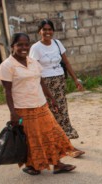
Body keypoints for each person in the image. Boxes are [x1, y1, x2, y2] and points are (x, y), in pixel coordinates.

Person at [0, 32, 78, 176]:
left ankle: (57, 164)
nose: (24, 47)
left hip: (41, 105)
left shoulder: (33, 62)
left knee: (53, 133)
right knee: (33, 139)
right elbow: (8, 92)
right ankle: (33, 165)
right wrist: (13, 113)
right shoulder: (7, 66)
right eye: (20, 45)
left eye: (26, 44)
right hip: (24, 109)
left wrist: (51, 98)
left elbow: (40, 81)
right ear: (12, 46)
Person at [29, 19, 84, 158]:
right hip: (45, 83)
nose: (47, 32)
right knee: (52, 113)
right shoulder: (36, 48)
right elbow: (33, 69)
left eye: (50, 29)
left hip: (59, 82)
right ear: (39, 31)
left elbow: (66, 62)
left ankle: (66, 145)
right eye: (44, 29)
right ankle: (60, 146)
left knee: (62, 112)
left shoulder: (57, 43)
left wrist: (75, 80)